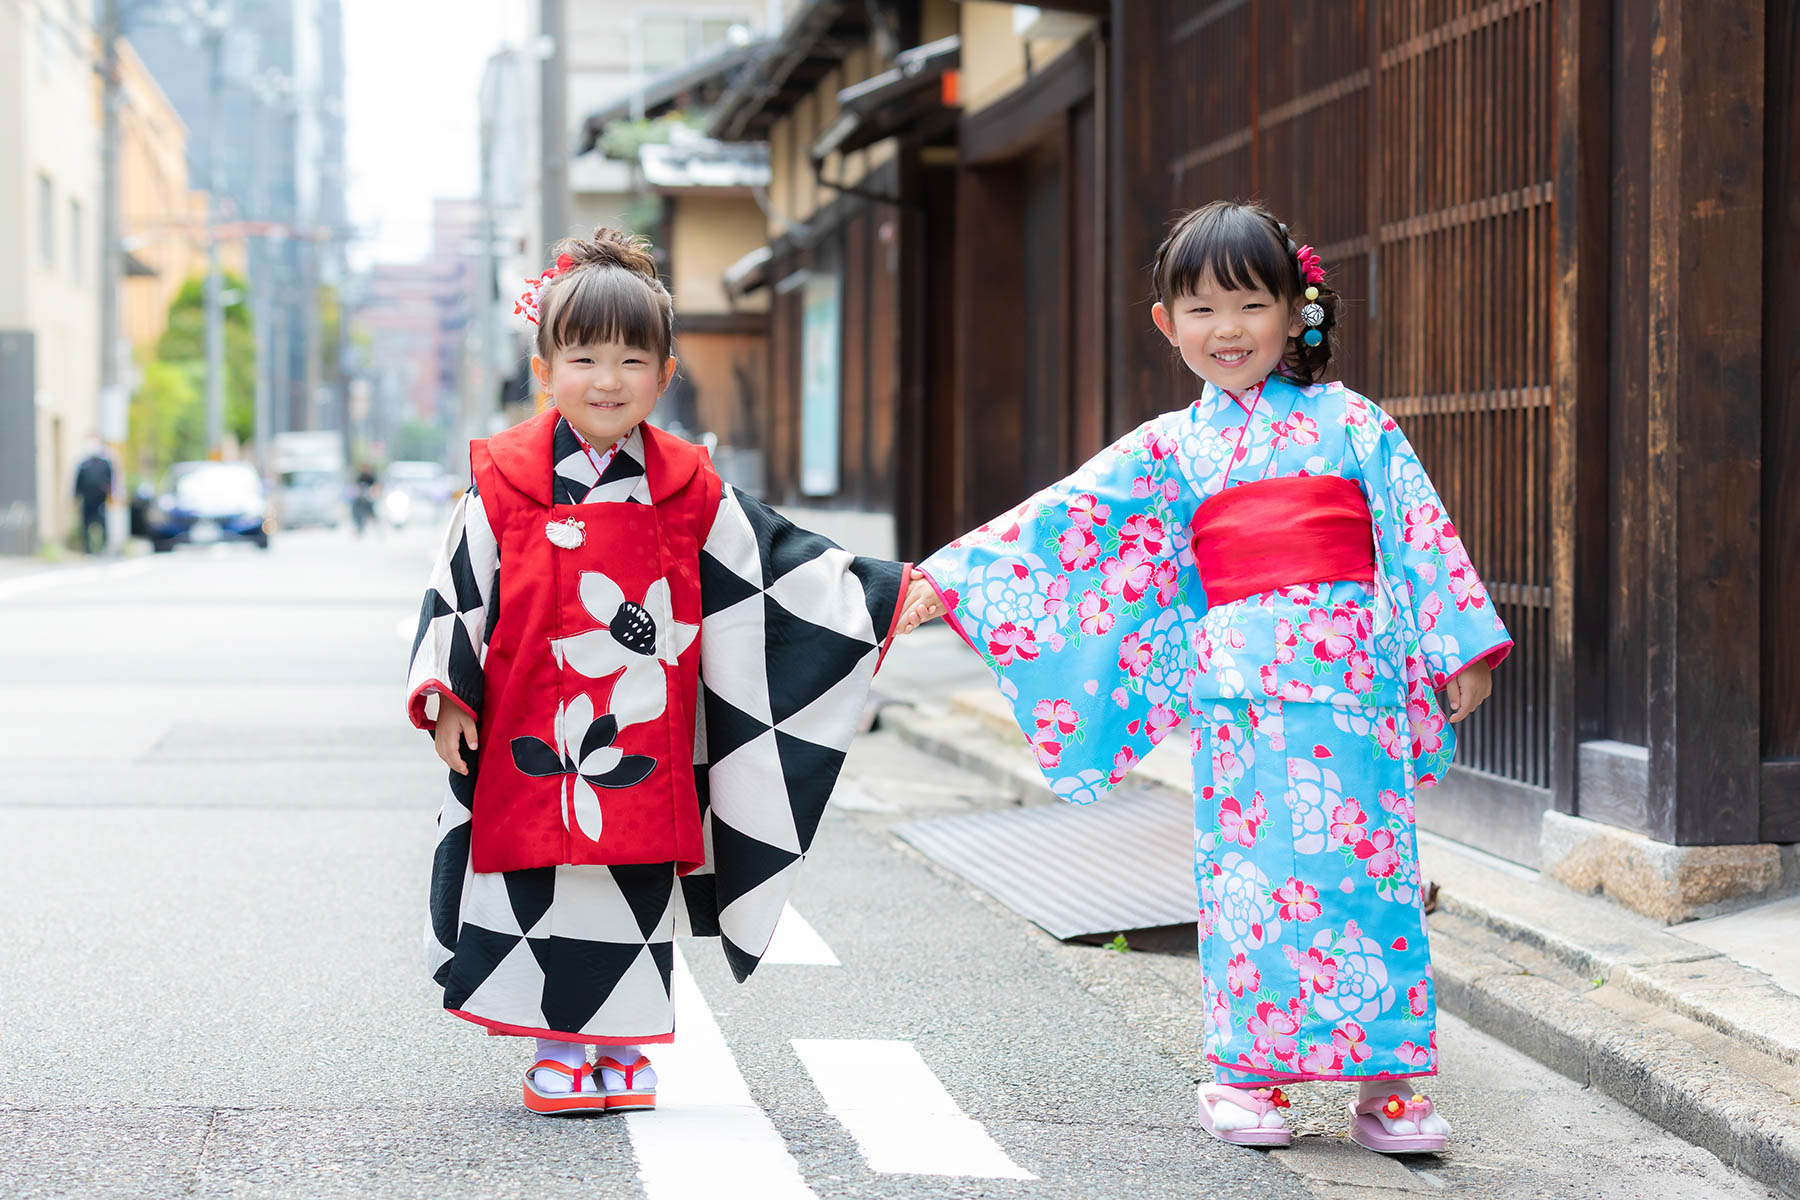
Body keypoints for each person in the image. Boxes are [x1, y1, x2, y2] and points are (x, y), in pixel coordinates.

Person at [896, 200, 1511, 1153]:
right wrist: (947, 582)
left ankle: (1387, 1076)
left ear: (1297, 308)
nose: (1227, 331)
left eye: (1250, 305)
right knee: (1246, 883)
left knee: (1372, 880)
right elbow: (1065, 522)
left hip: (1354, 692)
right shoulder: (1171, 448)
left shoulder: (1354, 425)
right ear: (1166, 323)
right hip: (1239, 702)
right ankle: (1247, 1072)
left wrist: (1457, 645)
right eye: (1200, 309)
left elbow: (1415, 532)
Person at [406, 228, 910, 1117]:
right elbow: (459, 591)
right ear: (543, 369)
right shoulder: (503, 481)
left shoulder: (688, 486)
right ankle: (561, 1046)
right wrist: (448, 690)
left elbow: (774, 567)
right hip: (525, 723)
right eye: (584, 356)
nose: (608, 379)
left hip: (639, 728)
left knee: (631, 883)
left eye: (633, 359)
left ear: (666, 375)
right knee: (538, 884)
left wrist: (882, 593)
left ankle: (623, 1047)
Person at [73, 438, 113, 555]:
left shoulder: (104, 464)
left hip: (100, 500)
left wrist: (110, 495)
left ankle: (104, 547)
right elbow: (78, 483)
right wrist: (76, 498)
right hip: (87, 500)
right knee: (86, 525)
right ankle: (87, 549)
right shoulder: (83, 465)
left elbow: (110, 481)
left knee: (102, 524)